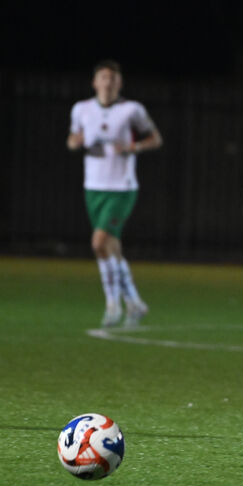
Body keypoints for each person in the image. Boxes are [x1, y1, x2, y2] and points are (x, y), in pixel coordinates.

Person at [67, 59, 163, 328]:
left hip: (122, 187)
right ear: (94, 82)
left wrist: (134, 148)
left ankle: (112, 304)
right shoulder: (82, 109)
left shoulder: (131, 110)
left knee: (98, 243)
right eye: (103, 77)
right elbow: (73, 138)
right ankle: (134, 302)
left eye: (113, 77)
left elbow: (155, 138)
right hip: (93, 187)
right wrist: (76, 142)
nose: (108, 82)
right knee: (112, 248)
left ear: (119, 83)